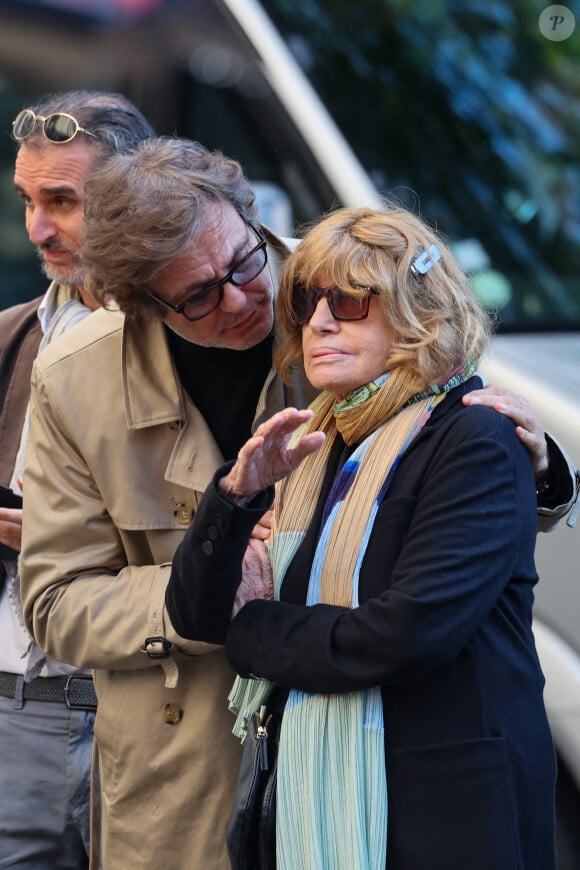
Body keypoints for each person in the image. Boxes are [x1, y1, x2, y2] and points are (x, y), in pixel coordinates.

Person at [19, 138, 575, 869]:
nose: (251, 302)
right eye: (198, 296)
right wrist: (225, 573)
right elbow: (56, 601)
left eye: (246, 265)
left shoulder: (339, 277)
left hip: (372, 752)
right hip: (182, 760)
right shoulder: (72, 378)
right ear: (139, 306)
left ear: (251, 222)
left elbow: (453, 416)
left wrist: (538, 466)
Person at [166, 205, 560, 869]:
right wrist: (233, 500)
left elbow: (408, 632)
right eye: (306, 300)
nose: (318, 321)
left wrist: (256, 633)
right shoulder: (312, 441)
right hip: (312, 803)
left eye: (348, 300)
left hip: (442, 819)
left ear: (418, 310)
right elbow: (195, 615)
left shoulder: (475, 436)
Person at [0, 90, 154, 869]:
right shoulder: (12, 336)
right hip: (14, 711)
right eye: (28, 200)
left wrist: (81, 541)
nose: (36, 228)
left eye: (61, 201)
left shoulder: (200, 330)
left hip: (157, 709)